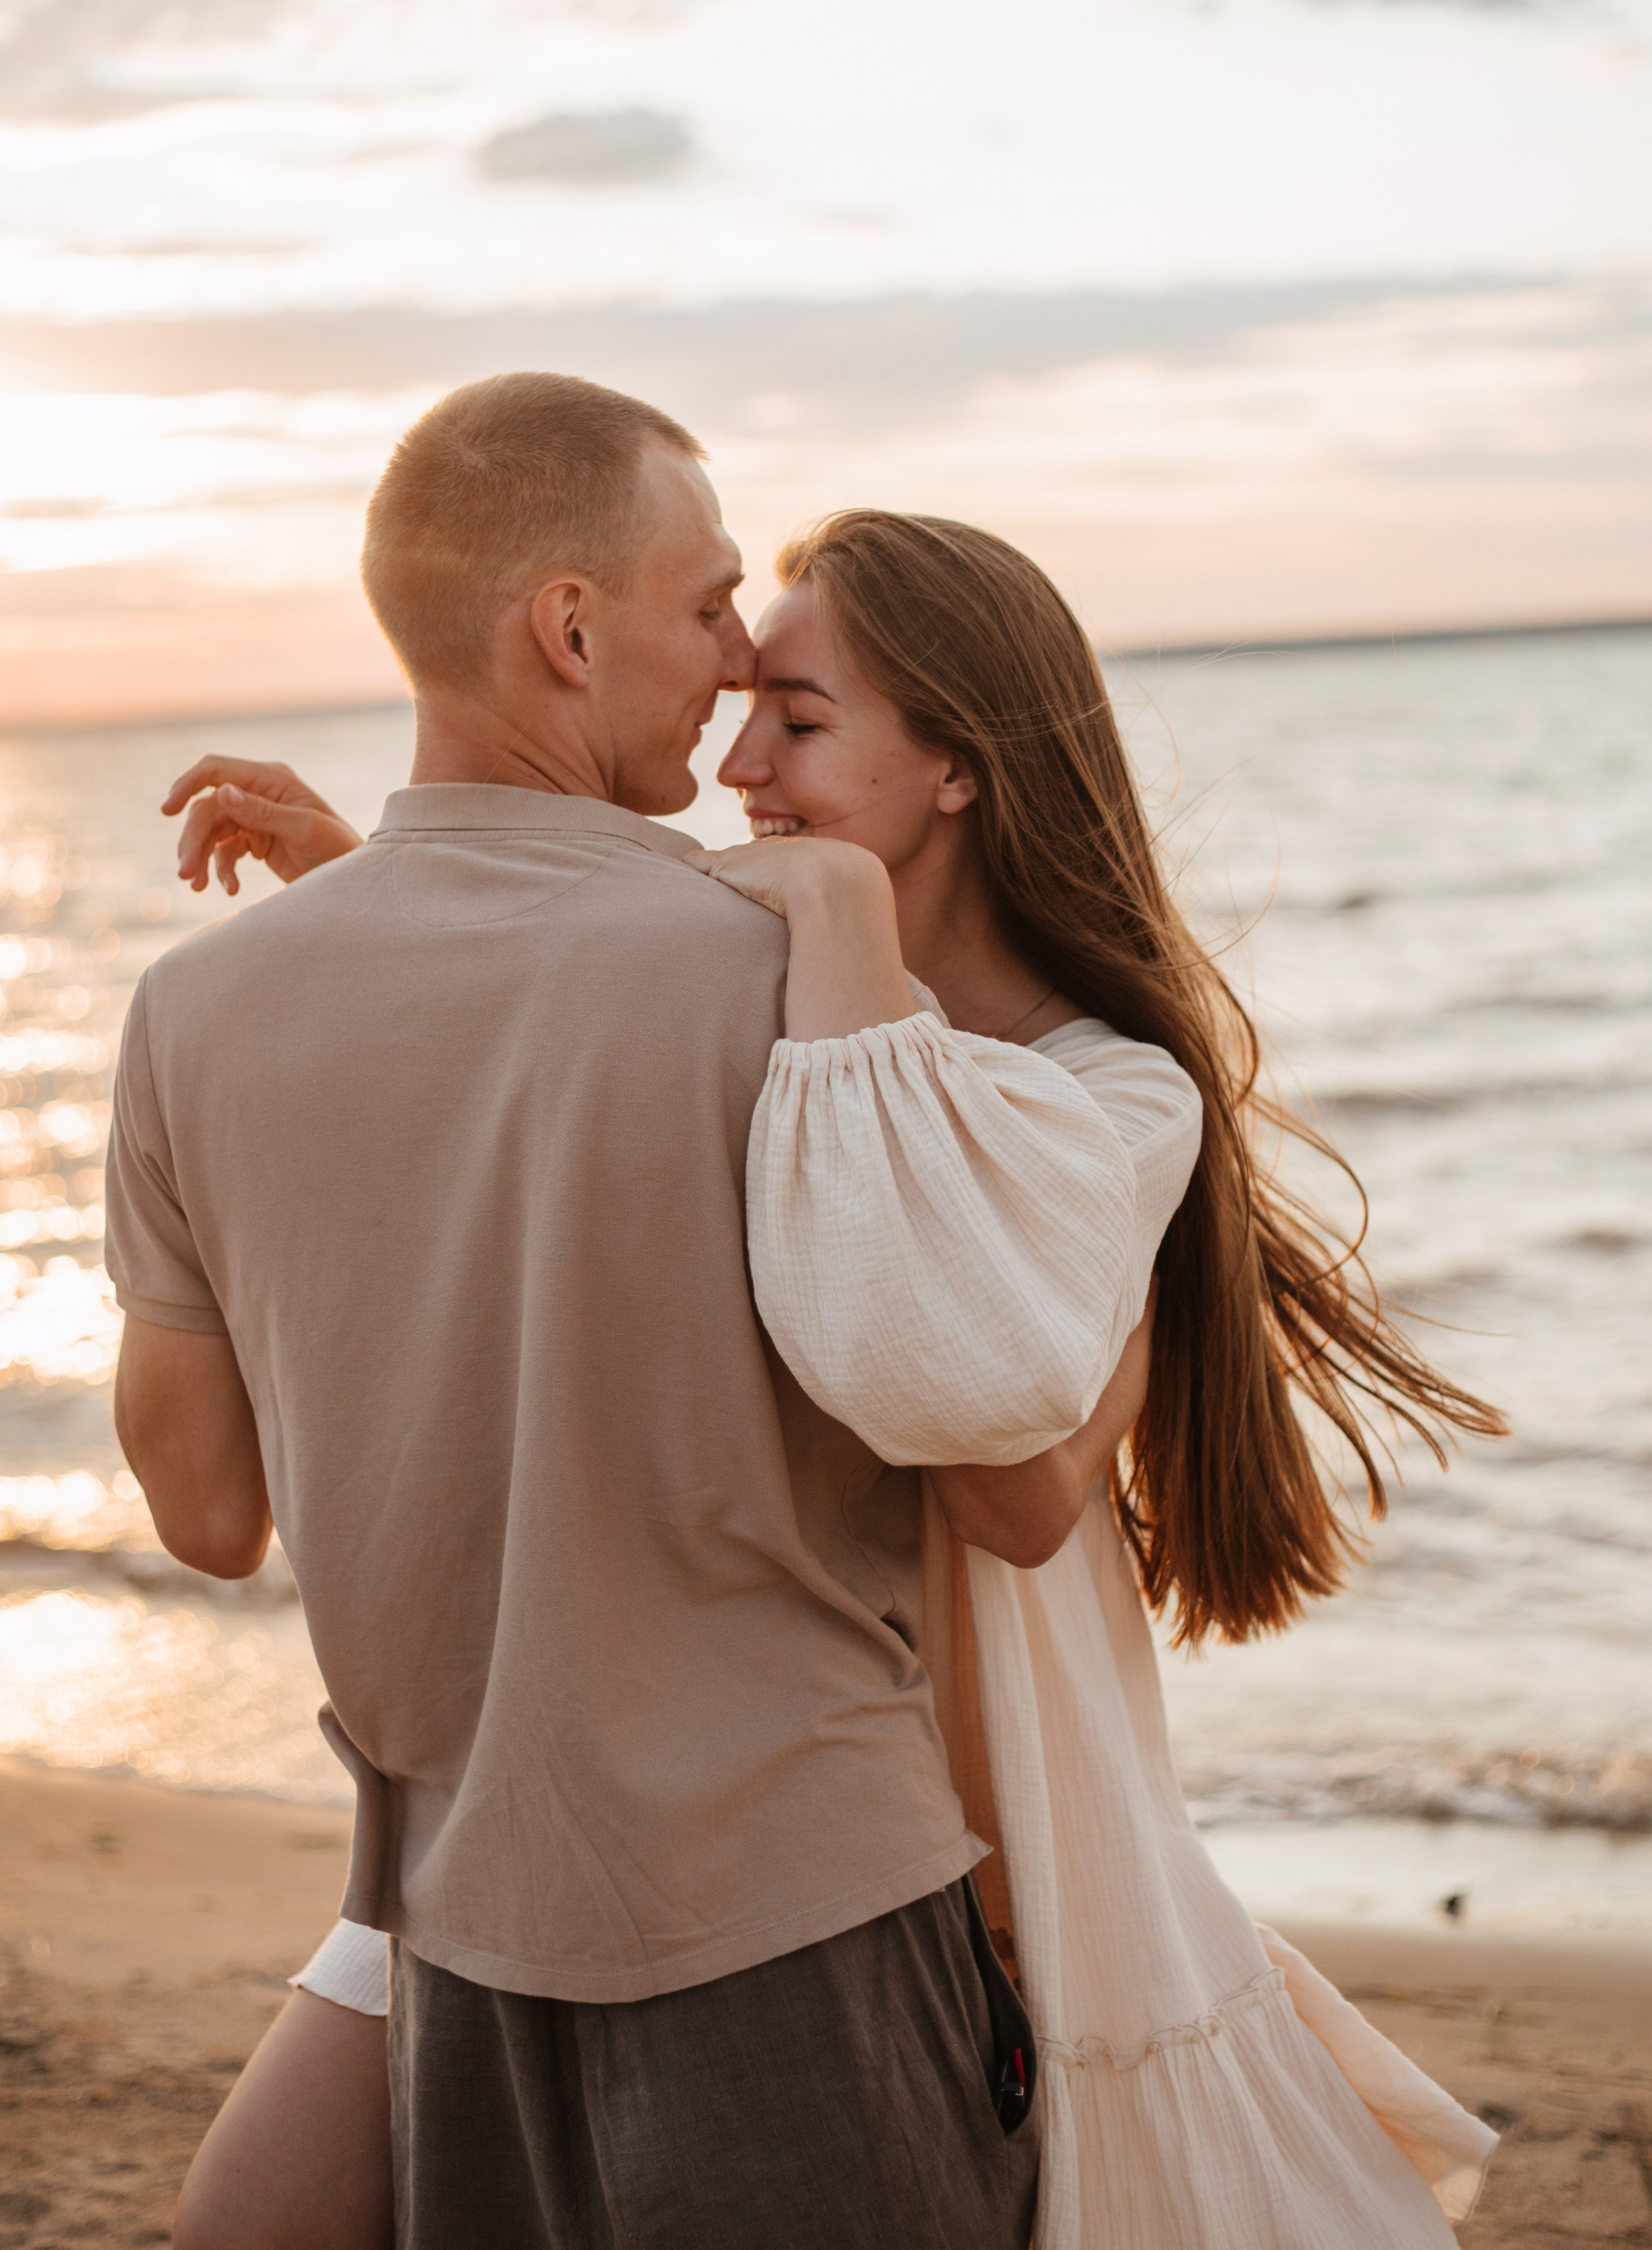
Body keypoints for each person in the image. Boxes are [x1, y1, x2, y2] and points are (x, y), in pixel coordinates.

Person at [148, 492, 1501, 2247]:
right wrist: (371, 887)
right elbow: (574, 1036)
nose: (742, 778)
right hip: (595, 1740)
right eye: (740, 719)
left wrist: (842, 936)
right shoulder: (752, 996)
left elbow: (1011, 1488)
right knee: (249, 2219)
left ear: (959, 770)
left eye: (799, 727)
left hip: (882, 1806)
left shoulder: (1107, 1089)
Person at [108, 380, 1044, 2250]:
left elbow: (210, 1520)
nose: (728, 666)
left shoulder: (191, 1021)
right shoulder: (799, 977)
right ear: (567, 625)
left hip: (461, 1950)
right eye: (707, 609)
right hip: (803, 1928)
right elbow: (997, 1445)